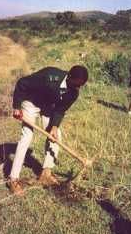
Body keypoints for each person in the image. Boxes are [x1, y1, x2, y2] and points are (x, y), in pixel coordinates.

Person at [8, 65, 88, 195]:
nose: (78, 88)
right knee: (27, 136)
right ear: (69, 77)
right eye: (76, 85)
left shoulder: (74, 92)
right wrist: (17, 106)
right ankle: (13, 179)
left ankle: (46, 173)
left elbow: (60, 110)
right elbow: (22, 83)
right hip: (31, 102)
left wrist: (55, 127)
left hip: (47, 106)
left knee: (56, 136)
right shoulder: (49, 76)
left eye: (81, 85)